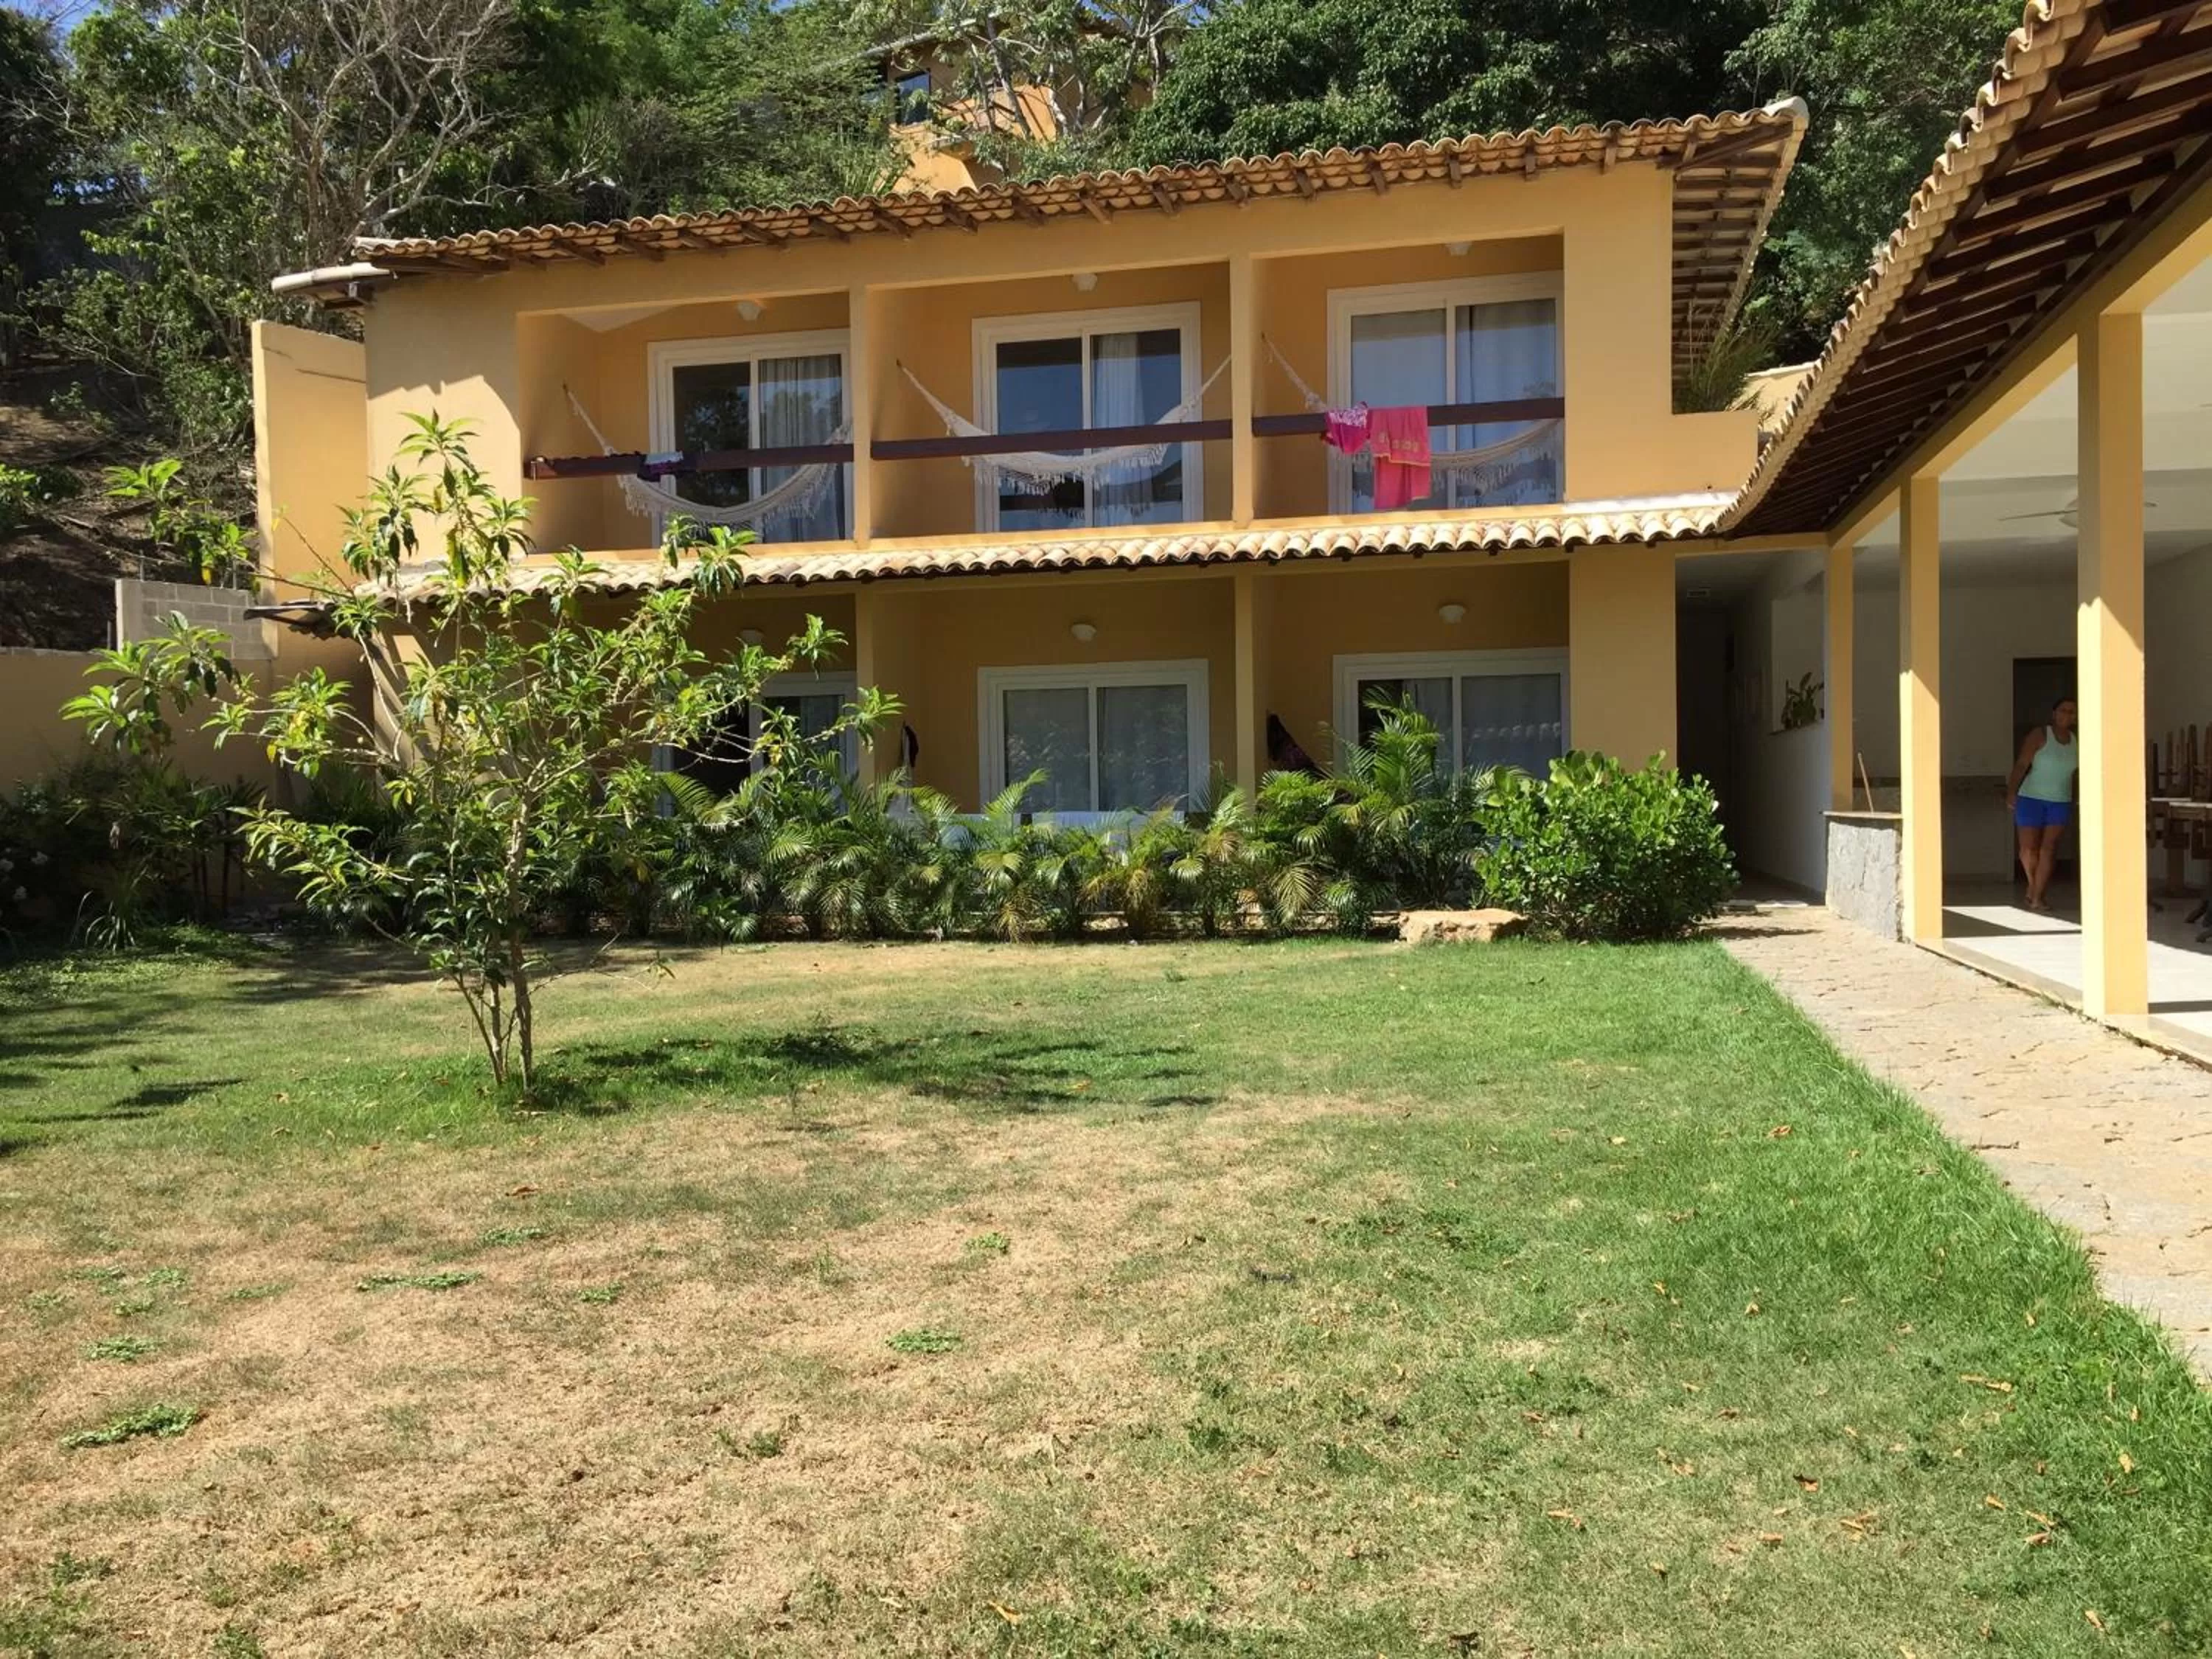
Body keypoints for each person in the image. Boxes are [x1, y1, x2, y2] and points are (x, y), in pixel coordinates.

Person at [2006, 697, 2079, 912]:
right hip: (2031, 798)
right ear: (2054, 713)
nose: (2067, 715)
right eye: (2063, 710)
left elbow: (2076, 775)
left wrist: (2076, 798)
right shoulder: (2040, 735)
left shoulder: (2076, 740)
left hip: (2060, 801)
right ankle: (2033, 886)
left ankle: (2037, 897)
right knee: (2029, 849)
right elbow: (2021, 764)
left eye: (2072, 712)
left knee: (2049, 848)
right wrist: (2011, 792)